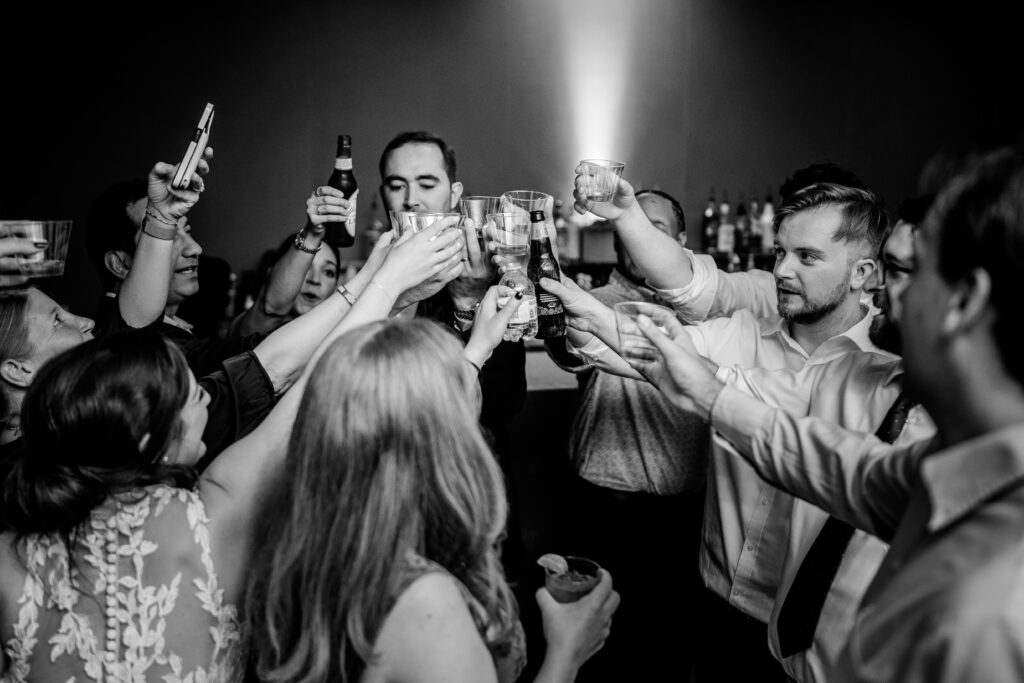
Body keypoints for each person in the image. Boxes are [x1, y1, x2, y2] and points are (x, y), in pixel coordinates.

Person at [0, 209, 486, 679]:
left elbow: (267, 367)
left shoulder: (13, 557)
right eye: (192, 400)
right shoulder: (211, 520)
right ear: (152, 442)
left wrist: (381, 279)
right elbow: (312, 389)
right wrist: (389, 286)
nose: (206, 404)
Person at [628, 145, 1024, 683]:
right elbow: (847, 470)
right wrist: (708, 393)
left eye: (910, 271)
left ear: (964, 300)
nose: (889, 295)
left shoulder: (995, 609)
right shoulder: (961, 467)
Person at [546, 175, 889, 681]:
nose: (783, 271)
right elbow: (651, 355)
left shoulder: (886, 368)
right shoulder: (743, 331)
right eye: (780, 254)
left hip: (813, 632)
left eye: (807, 258)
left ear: (863, 272)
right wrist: (571, 306)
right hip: (717, 597)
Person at [245, 317, 620, 683]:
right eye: (456, 393)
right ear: (438, 435)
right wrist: (567, 652)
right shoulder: (424, 601)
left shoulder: (302, 545)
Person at [544, 188, 707, 680]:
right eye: (629, 228)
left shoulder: (710, 316)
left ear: (680, 242)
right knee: (601, 652)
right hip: (605, 509)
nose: (640, 241)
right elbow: (567, 348)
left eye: (654, 229)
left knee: (669, 649)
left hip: (687, 513)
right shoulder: (592, 304)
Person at [376, 131, 528, 577]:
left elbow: (504, 405)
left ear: (454, 193)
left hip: (473, 494)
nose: (411, 199)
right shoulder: (371, 279)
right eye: (396, 184)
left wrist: (469, 302)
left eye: (426, 184)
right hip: (390, 503)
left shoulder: (487, 269)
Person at [228, 186, 347, 338]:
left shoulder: (340, 338)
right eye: (305, 268)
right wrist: (312, 234)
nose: (315, 280)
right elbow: (271, 307)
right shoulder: (252, 327)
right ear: (273, 273)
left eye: (328, 272)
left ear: (336, 287)